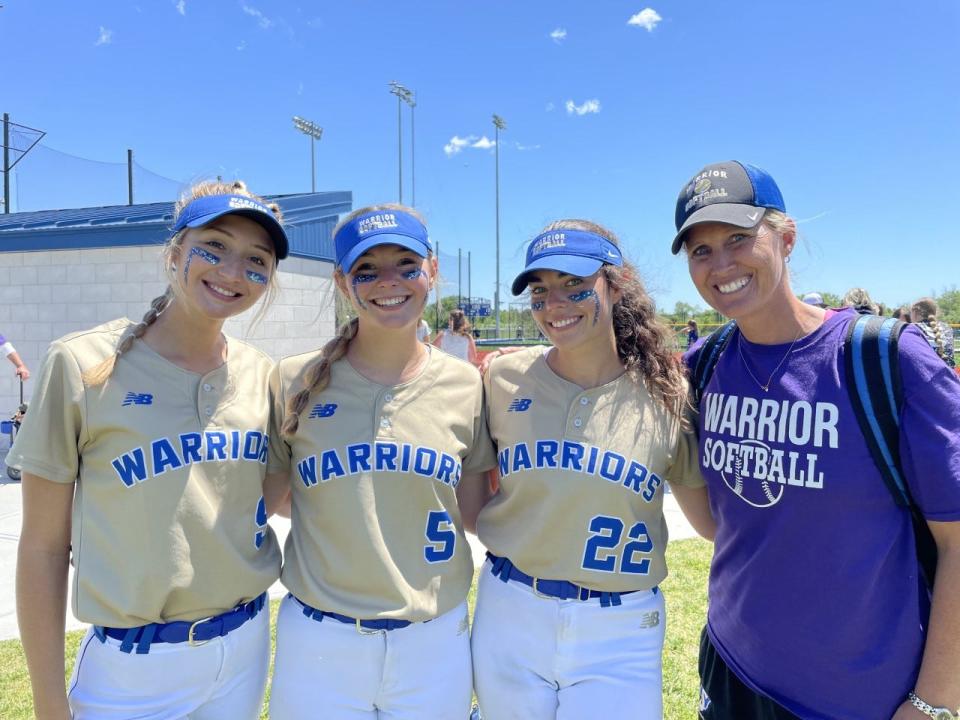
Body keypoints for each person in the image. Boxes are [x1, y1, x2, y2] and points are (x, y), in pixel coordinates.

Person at [671, 160, 960, 719]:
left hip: (861, 699)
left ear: (786, 237)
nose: (720, 264)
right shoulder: (704, 367)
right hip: (733, 670)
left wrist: (934, 702)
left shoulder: (883, 358)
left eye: (738, 238)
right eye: (700, 250)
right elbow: (717, 522)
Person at [11, 180, 289, 720]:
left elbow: (277, 496)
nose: (233, 271)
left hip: (246, 645)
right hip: (132, 669)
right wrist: (48, 701)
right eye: (215, 246)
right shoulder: (80, 364)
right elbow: (43, 548)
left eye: (256, 259)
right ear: (174, 251)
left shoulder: (262, 374)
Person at [462, 219, 711, 720]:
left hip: (621, 628)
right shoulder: (504, 377)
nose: (554, 304)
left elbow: (709, 523)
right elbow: (473, 508)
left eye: (575, 285)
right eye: (540, 290)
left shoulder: (669, 393)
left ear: (615, 286)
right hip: (510, 609)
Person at [266, 204, 496, 719]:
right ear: (342, 282)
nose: (387, 282)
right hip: (320, 641)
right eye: (366, 270)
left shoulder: (467, 385)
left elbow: (477, 510)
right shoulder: (293, 379)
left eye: (406, 265)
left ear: (432, 271)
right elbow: (277, 500)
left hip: (433, 639)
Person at [911, 297, 956, 369]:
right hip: (950, 376)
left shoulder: (913, 328)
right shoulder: (947, 328)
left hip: (927, 376)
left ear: (915, 312)